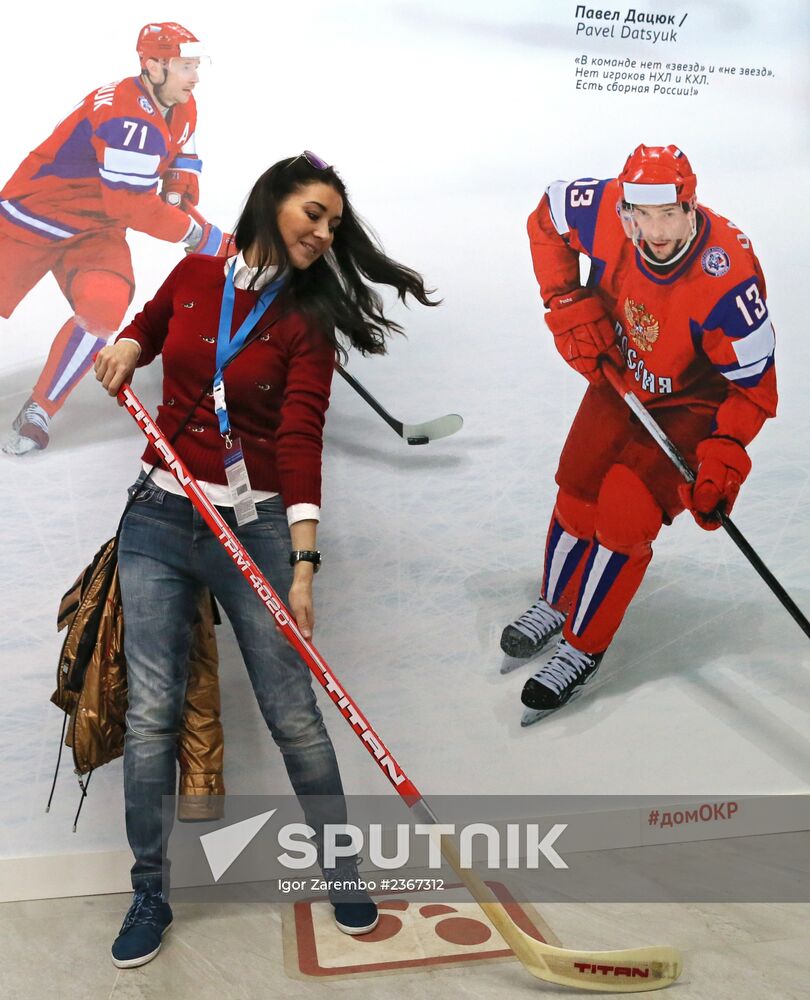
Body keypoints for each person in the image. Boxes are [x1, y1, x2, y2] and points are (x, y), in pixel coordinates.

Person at [93, 151, 437, 967]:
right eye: (314, 213)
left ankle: (342, 872)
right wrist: (126, 346)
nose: (324, 232)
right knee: (151, 717)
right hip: (160, 517)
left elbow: (299, 436)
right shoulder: (193, 272)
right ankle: (150, 896)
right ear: (272, 203)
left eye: (334, 225)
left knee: (293, 714)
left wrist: (305, 560)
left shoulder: (304, 323)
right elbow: (150, 326)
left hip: (256, 528)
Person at [501, 144, 777, 718]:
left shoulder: (728, 276)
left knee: (625, 510)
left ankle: (582, 647)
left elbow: (752, 387)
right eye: (638, 215)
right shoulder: (602, 207)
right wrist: (566, 300)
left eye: (668, 214)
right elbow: (545, 217)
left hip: (693, 401)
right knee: (577, 488)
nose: (653, 231)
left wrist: (722, 457)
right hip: (620, 372)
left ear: (690, 205)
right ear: (623, 206)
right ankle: (555, 602)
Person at [1, 22, 229, 456]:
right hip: (30, 220)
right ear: (153, 65)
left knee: (104, 305)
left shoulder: (180, 101)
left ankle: (40, 409)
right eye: (185, 66)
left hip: (94, 230)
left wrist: (181, 182)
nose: (195, 77)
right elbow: (133, 206)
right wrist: (204, 236)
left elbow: (183, 146)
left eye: (196, 66)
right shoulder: (129, 117)